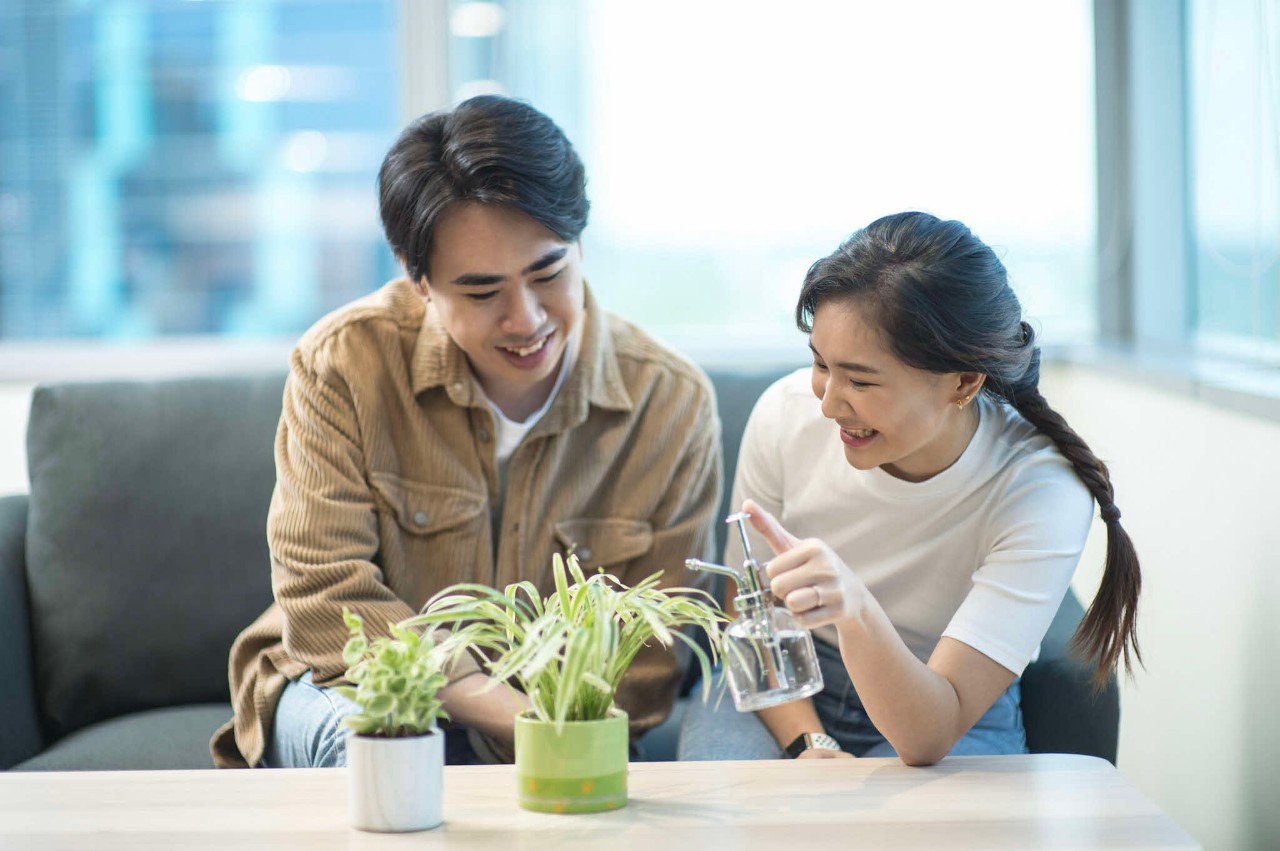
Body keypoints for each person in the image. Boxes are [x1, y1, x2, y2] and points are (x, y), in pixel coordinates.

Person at [211, 95, 722, 769]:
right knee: (380, 748)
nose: (526, 318)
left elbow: (650, 658)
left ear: (580, 243)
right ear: (417, 280)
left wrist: (545, 732)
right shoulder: (342, 363)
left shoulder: (670, 401)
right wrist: (506, 710)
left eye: (549, 272)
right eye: (482, 293)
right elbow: (326, 598)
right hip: (348, 682)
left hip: (556, 723)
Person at [679, 211, 1140, 765]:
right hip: (788, 675)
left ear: (965, 381)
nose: (827, 405)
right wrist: (810, 743)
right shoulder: (785, 414)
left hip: (939, 693)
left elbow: (931, 732)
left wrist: (855, 609)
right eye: (821, 365)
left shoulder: (1038, 487)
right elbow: (747, 619)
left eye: (861, 380)